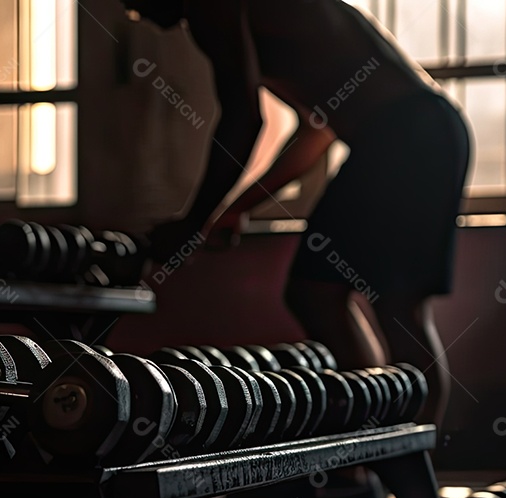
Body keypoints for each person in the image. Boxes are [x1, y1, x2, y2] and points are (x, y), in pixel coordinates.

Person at [128, 0, 471, 427]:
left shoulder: (212, 9)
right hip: (430, 131)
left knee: (344, 297)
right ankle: (382, 456)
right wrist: (234, 209)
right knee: (362, 302)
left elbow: (242, 117)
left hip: (405, 136)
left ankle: (386, 457)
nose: (130, 10)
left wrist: (192, 222)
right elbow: (316, 131)